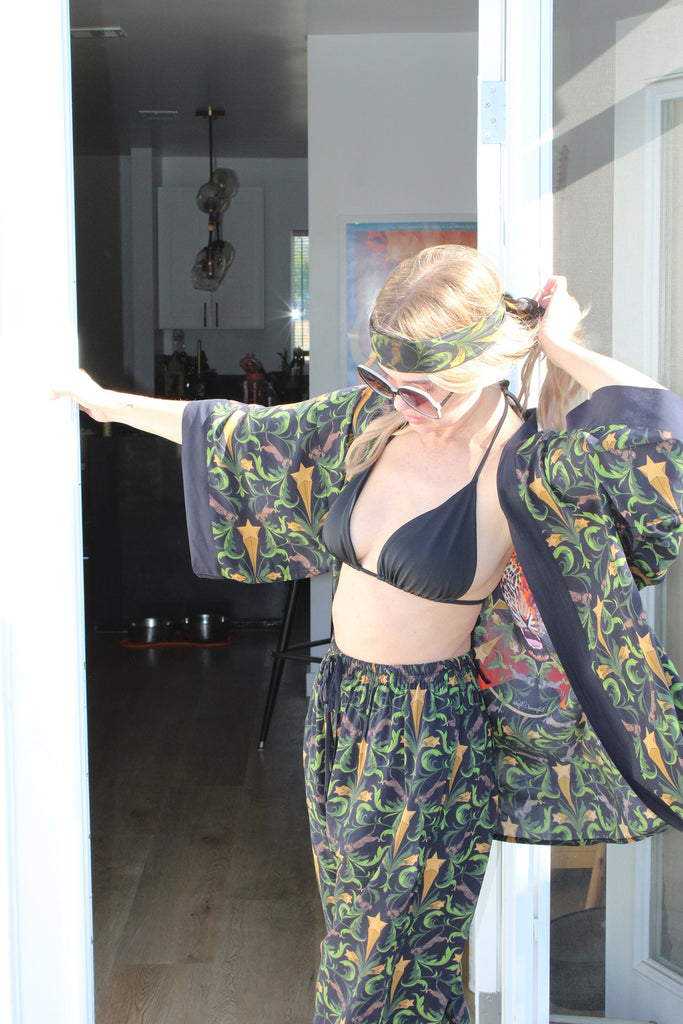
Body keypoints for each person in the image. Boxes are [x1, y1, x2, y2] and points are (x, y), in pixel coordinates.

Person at [54, 245, 683, 1024]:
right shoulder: (369, 425)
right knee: (383, 958)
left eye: (425, 387)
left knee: (373, 971)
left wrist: (559, 346)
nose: (402, 402)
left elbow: (658, 440)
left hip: (427, 736)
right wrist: (107, 405)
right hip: (341, 709)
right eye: (387, 380)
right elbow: (243, 434)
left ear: (479, 365)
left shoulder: (524, 467)